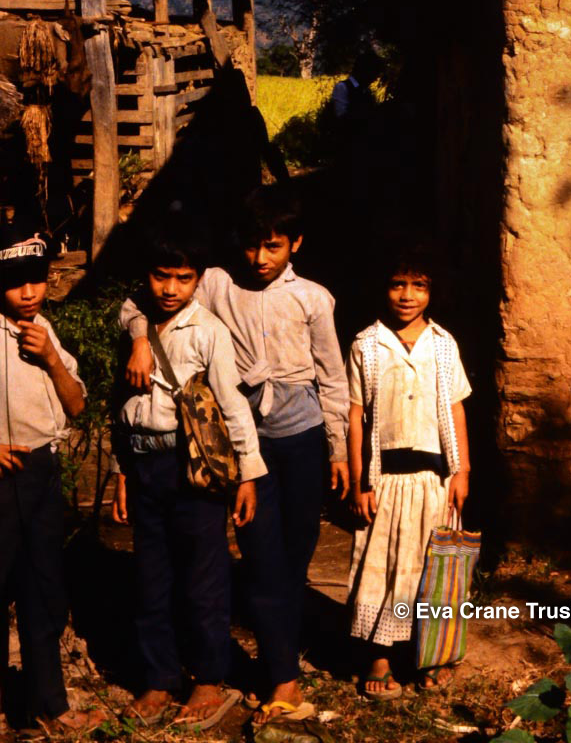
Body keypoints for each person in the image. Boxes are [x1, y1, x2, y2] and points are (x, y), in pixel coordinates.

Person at [121, 187, 350, 725]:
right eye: (251, 245)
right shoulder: (217, 283)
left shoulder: (314, 298)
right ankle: (284, 677)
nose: (260, 258)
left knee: (295, 557)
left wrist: (338, 449)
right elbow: (136, 304)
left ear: (295, 243)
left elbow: (332, 376)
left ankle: (283, 650)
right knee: (262, 557)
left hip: (302, 437)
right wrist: (139, 340)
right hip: (245, 444)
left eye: (273, 246)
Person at [111, 225, 265, 728]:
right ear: (147, 275)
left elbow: (232, 403)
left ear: (199, 279)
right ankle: (158, 680)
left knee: (204, 578)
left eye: (183, 278)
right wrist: (120, 471)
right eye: (161, 276)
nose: (170, 288)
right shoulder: (134, 319)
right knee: (150, 578)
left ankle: (209, 678)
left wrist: (247, 475)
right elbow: (120, 404)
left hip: (193, 467)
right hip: (144, 464)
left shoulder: (208, 331)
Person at [347, 242, 471, 701]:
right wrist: (361, 481)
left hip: (435, 478)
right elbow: (355, 414)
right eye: (398, 284)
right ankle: (379, 657)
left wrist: (462, 471)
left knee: (432, 566)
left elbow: (455, 409)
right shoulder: (366, 344)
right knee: (381, 565)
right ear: (383, 287)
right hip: (385, 479)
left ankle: (433, 654)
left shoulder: (443, 344)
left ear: (433, 290)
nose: (407, 295)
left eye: (419, 285)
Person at [0, 222, 105, 735]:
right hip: (3, 480)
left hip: (42, 473)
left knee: (43, 591)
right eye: (15, 283)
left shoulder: (45, 330)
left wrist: (49, 357)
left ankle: (49, 706)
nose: (28, 293)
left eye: (37, 280)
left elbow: (77, 404)